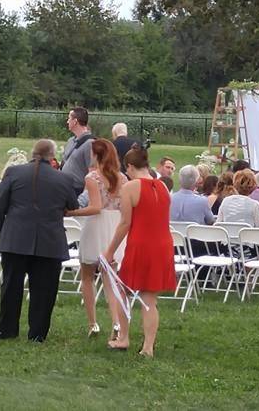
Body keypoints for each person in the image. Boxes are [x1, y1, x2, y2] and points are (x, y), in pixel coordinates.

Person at [0, 140, 79, 342]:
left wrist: (5, 231)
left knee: (11, 286)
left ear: (33, 153)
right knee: (44, 289)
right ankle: (38, 333)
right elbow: (72, 205)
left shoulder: (14, 172)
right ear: (52, 156)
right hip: (49, 240)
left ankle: (6, 329)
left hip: (15, 238)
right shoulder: (63, 178)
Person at [103, 145, 175, 356]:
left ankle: (123, 337)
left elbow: (125, 223)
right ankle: (148, 346)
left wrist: (110, 250)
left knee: (122, 290)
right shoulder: (162, 186)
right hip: (163, 244)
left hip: (141, 244)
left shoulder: (130, 187)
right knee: (149, 299)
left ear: (131, 167)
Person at [65, 139, 127, 340]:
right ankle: (116, 322)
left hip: (97, 225)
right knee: (111, 280)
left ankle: (93, 323)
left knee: (87, 276)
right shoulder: (122, 178)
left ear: (96, 156)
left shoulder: (93, 178)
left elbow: (95, 207)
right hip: (115, 225)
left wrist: (71, 212)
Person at [61, 106, 95, 196]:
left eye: (69, 118)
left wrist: (84, 195)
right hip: (64, 187)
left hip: (77, 190)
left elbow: (92, 172)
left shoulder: (90, 143)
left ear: (75, 121)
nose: (67, 121)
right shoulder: (70, 140)